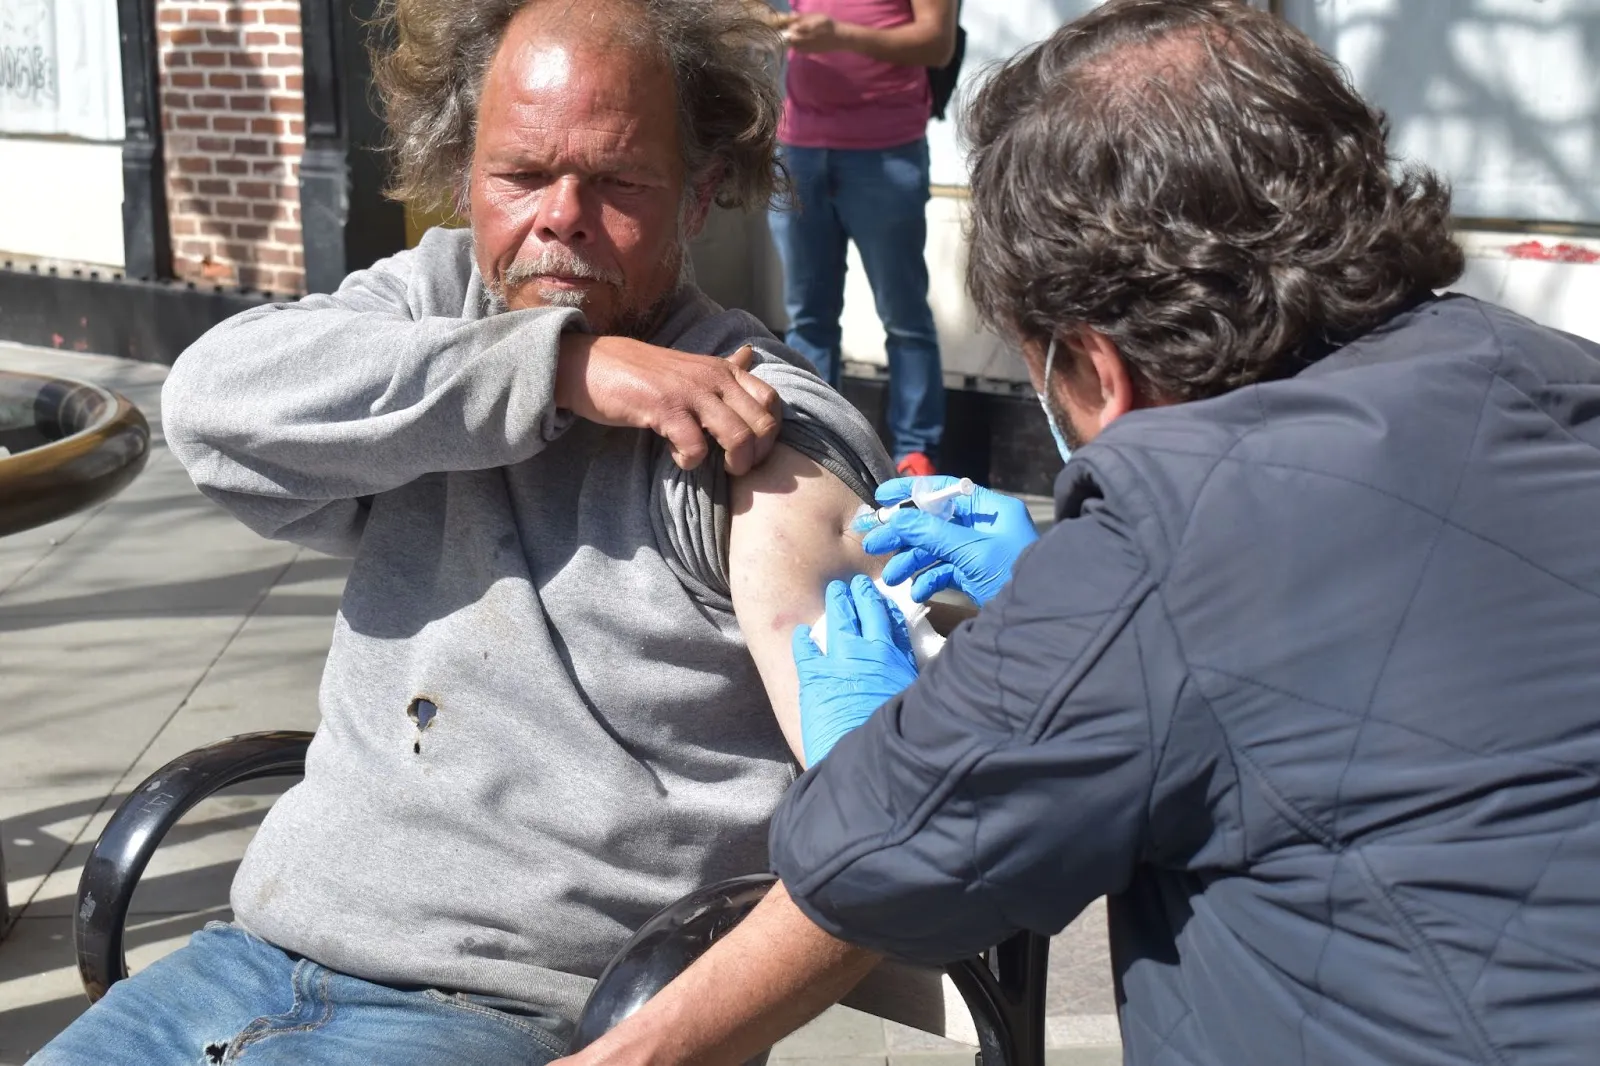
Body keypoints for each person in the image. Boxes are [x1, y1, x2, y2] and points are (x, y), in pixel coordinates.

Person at [553, 2, 1600, 1064]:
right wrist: (1069, 584)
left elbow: (880, 857)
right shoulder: (1558, 379)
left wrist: (873, 748)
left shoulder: (1162, 538)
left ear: (1096, 366)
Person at [31, 2, 899, 1064]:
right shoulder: (440, 302)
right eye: (520, 176)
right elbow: (209, 402)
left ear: (702, 191)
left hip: (504, 1011)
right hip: (244, 964)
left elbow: (890, 822)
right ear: (463, 173)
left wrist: (651, 1051)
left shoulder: (753, 428)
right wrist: (565, 367)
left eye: (618, 182)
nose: (561, 219)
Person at [766, 0, 959, 478]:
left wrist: (842, 35)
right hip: (799, 148)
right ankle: (816, 450)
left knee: (904, 316)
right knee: (808, 320)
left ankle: (915, 454)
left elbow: (937, 42)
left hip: (886, 152)